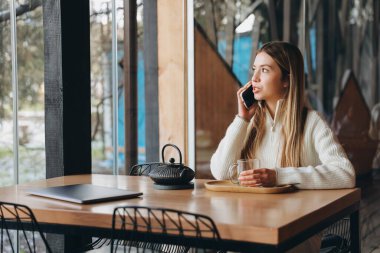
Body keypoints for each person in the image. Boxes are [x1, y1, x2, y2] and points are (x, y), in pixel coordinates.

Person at [210, 41, 355, 253]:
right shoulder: (248, 124)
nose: (255, 78)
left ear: (287, 80)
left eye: (265, 70)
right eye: (254, 70)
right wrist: (241, 119)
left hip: (296, 237)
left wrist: (278, 176)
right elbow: (220, 171)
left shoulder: (312, 122)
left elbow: (345, 173)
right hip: (251, 231)